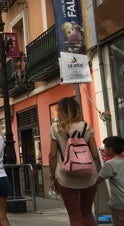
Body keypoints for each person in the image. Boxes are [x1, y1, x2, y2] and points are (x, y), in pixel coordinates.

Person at [49, 97, 99, 226]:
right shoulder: (87, 127)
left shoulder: (56, 128)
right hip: (88, 177)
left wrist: (52, 176)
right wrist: (81, 161)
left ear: (61, 111)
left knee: (75, 216)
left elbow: (52, 155)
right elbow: (95, 154)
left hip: (66, 177)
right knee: (87, 213)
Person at [96, 136, 124, 226]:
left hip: (119, 205)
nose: (104, 150)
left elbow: (98, 180)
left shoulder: (110, 164)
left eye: (105, 148)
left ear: (110, 149)